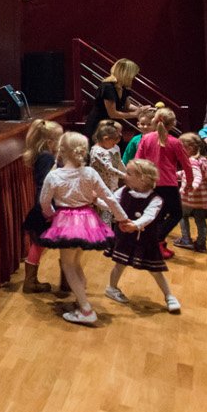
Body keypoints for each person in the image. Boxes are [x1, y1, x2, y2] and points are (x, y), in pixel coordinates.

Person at [36, 131, 122, 325]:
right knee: (75, 262)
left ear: (61, 150)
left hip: (66, 222)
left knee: (68, 264)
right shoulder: (90, 173)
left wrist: (51, 215)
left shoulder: (54, 176)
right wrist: (122, 218)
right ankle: (80, 299)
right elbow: (109, 197)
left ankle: (85, 309)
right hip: (88, 222)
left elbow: (44, 202)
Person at [102, 159, 182, 313]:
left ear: (143, 178)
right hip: (125, 237)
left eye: (129, 173)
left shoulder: (156, 199)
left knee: (155, 270)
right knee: (119, 263)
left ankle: (169, 296)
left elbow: (149, 216)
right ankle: (111, 288)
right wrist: (96, 200)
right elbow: (111, 203)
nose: (125, 175)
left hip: (145, 240)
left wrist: (136, 225)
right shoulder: (123, 191)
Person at [135, 107, 190, 260]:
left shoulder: (146, 138)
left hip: (150, 183)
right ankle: (157, 240)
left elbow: (138, 160)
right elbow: (186, 165)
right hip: (168, 185)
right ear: (172, 124)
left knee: (157, 215)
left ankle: (155, 244)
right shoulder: (175, 142)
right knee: (176, 214)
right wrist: (190, 182)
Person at [19, 119, 64, 293]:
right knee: (48, 243)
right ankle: (33, 282)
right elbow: (47, 184)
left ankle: (32, 281)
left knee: (39, 244)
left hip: (45, 206)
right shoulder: (47, 158)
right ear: (51, 142)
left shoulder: (44, 156)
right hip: (47, 208)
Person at [174, 132, 207, 253]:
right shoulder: (204, 160)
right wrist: (175, 175)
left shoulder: (191, 161)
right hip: (202, 199)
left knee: (182, 216)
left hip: (190, 197)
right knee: (200, 220)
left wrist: (193, 186)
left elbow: (196, 176)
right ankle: (201, 244)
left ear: (190, 148)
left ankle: (186, 239)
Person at [83, 58, 143, 141]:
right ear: (126, 74)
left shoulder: (123, 87)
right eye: (133, 75)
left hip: (113, 125)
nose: (134, 77)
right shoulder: (108, 87)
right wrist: (135, 114)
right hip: (100, 126)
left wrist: (142, 109)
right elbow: (113, 113)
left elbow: (128, 106)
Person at [88, 119, 128, 224]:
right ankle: (105, 231)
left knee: (109, 211)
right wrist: (126, 176)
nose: (114, 145)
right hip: (102, 186)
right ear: (106, 139)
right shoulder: (98, 151)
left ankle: (107, 230)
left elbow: (118, 162)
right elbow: (109, 169)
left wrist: (126, 172)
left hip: (111, 185)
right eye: (113, 142)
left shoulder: (113, 148)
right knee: (104, 212)